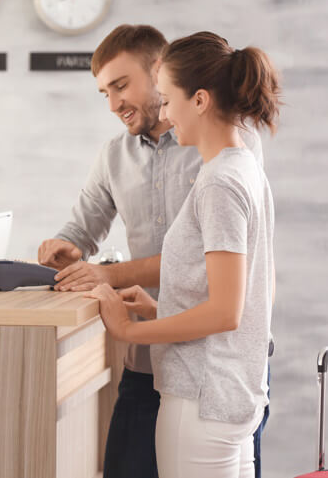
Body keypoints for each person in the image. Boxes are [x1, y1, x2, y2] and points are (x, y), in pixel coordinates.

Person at [37, 24, 266, 478]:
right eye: (103, 92)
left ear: (160, 73)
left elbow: (215, 276)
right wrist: (66, 247)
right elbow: (82, 228)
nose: (113, 103)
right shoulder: (115, 155)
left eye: (121, 85)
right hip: (159, 360)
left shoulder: (224, 153)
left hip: (212, 368)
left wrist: (116, 294)